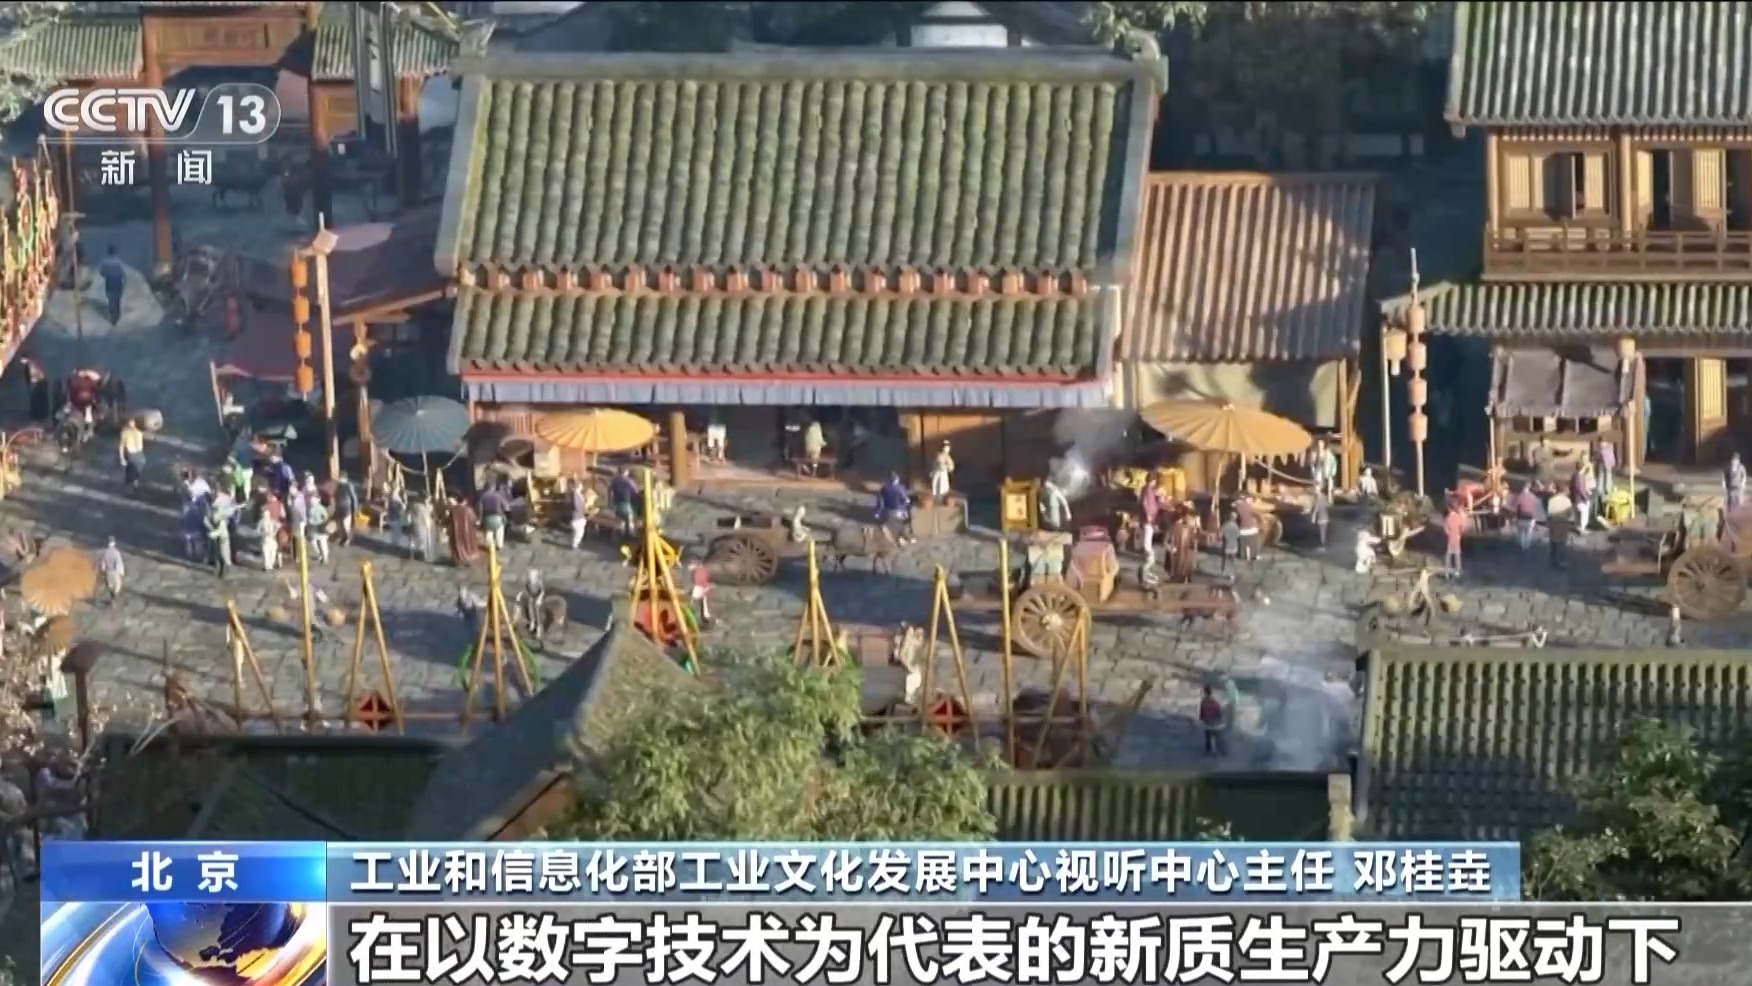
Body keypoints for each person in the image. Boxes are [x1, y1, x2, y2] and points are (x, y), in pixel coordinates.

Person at [875, 473, 914, 544]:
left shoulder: (884, 489)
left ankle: (891, 537)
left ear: (889, 480)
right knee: (904, 523)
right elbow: (905, 500)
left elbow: (880, 503)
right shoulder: (900, 488)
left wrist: (877, 513)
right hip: (899, 512)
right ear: (897, 480)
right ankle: (904, 537)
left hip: (887, 512)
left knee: (885, 526)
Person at [448, 496, 481, 566]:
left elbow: (449, 521)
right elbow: (474, 520)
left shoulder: (453, 510)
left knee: (457, 544)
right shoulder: (469, 510)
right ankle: (468, 559)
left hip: (456, 531)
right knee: (468, 545)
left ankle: (458, 559)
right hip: (468, 532)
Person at [98, 245, 127, 326]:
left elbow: (101, 272)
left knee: (111, 299)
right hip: (118, 282)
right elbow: (123, 273)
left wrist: (106, 275)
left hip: (109, 282)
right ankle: (117, 315)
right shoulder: (118, 261)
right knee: (117, 298)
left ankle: (113, 316)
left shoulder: (105, 261)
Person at [478, 483, 509, 551]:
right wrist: (503, 511)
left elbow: (480, 510)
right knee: (500, 530)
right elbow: (506, 507)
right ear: (493, 487)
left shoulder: (482, 497)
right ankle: (499, 544)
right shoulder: (498, 495)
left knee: (489, 531)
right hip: (498, 517)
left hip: (487, 519)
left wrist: (480, 520)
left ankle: (489, 544)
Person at [1138, 477, 1164, 555]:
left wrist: (1159, 496)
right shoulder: (1147, 489)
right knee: (1148, 531)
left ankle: (1147, 549)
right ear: (1151, 481)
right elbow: (1145, 503)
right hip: (1148, 514)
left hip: (1151, 514)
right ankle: (1148, 551)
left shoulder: (1150, 489)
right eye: (1154, 481)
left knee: (1149, 531)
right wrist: (1148, 515)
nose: (1155, 483)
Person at [609, 468, 639, 535]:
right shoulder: (629, 481)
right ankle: (630, 533)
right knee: (629, 518)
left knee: (619, 520)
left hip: (617, 503)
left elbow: (610, 492)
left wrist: (610, 503)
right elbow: (635, 492)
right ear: (626, 472)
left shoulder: (614, 481)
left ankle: (618, 534)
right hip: (626, 502)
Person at [1442, 500, 1468, 578]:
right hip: (1457, 538)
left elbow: (1445, 529)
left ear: (1449, 509)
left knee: (1448, 555)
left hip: (1450, 538)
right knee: (1457, 555)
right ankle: (1457, 571)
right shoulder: (1458, 517)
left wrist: (1449, 534)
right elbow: (1462, 527)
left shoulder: (1447, 518)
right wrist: (1459, 533)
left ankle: (1447, 572)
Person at [117, 418, 145, 490]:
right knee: (136, 472)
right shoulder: (139, 433)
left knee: (129, 474)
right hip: (140, 455)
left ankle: (128, 488)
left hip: (131, 455)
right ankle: (135, 483)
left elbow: (121, 447)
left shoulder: (124, 433)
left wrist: (122, 459)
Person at [567, 479, 594, 550]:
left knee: (576, 531)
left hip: (575, 515)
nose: (582, 487)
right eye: (581, 486)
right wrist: (589, 510)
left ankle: (575, 542)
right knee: (580, 532)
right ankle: (575, 544)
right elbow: (583, 507)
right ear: (578, 487)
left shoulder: (574, 494)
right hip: (579, 517)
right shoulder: (579, 496)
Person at [206, 503, 232, 578]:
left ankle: (224, 570)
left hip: (223, 538)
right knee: (218, 555)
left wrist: (212, 534)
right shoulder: (214, 516)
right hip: (218, 538)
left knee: (224, 554)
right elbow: (207, 520)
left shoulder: (222, 521)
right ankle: (220, 570)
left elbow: (221, 531)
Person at [409, 495, 438, 562]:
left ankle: (425, 555)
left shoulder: (428, 506)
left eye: (428, 499)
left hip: (426, 524)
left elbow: (433, 515)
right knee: (424, 540)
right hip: (422, 524)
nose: (427, 500)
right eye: (427, 499)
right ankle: (424, 555)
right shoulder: (419, 506)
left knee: (426, 540)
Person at [333, 475, 360, 547]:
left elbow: (354, 497)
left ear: (343, 478)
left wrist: (355, 509)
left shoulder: (348, 486)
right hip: (339, 508)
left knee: (346, 525)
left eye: (339, 478)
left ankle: (348, 539)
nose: (338, 479)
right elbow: (335, 496)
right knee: (340, 524)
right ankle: (342, 537)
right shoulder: (338, 486)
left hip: (346, 508)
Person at [1512, 482, 1540, 551]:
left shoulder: (1520, 496)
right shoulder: (1533, 497)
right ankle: (1527, 545)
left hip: (1521, 517)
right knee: (1528, 532)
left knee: (1521, 532)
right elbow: (1536, 507)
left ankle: (1522, 545)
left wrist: (1515, 515)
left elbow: (1515, 507)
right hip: (1530, 517)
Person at [1198, 686, 1225, 755]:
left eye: (1202, 692)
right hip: (1218, 724)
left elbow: (1201, 716)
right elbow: (1220, 713)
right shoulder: (1215, 701)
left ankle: (1208, 749)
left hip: (1209, 724)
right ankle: (1220, 749)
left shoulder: (1203, 702)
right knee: (1218, 736)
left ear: (1205, 693)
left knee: (1207, 733)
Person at [1572, 460, 1596, 532]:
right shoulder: (1580, 477)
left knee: (1577, 514)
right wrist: (1586, 499)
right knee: (1584, 513)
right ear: (1582, 468)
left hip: (1574, 498)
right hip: (1580, 499)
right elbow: (1581, 490)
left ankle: (1577, 526)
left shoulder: (1574, 475)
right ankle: (1582, 528)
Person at [1234, 495, 1260, 562]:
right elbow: (1256, 514)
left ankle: (1242, 556)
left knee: (1243, 544)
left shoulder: (1236, 506)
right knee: (1253, 543)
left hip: (1242, 529)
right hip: (1251, 528)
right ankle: (1253, 555)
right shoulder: (1248, 507)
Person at [98, 537, 124, 603]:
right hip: (115, 572)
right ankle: (113, 599)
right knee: (117, 587)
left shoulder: (105, 553)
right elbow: (118, 562)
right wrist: (121, 572)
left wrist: (103, 571)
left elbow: (103, 563)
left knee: (110, 587)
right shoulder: (116, 552)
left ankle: (112, 599)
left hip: (108, 572)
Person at [1548, 503, 1573, 569]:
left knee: (1554, 543)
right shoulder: (1566, 502)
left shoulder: (1553, 502)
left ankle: (1554, 559)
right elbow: (1570, 516)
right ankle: (1560, 561)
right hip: (1562, 526)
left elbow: (1549, 516)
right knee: (1561, 544)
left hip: (1555, 525)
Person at [306, 497, 331, 563]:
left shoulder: (314, 508)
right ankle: (323, 556)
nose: (311, 502)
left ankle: (322, 556)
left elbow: (310, 520)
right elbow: (326, 517)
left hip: (317, 528)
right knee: (320, 543)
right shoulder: (318, 508)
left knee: (318, 543)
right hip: (319, 528)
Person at [689, 560, 714, 625]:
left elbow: (701, 579)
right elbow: (704, 579)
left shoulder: (699, 570)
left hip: (699, 587)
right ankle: (703, 617)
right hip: (700, 587)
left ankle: (702, 617)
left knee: (695, 601)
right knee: (699, 602)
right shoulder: (702, 570)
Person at [1219, 512, 1241, 577]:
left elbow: (1220, 535)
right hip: (1234, 545)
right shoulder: (1236, 526)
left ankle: (1223, 572)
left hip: (1226, 545)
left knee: (1224, 560)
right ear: (1235, 518)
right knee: (1232, 561)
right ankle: (1232, 574)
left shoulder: (1225, 525)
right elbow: (1238, 536)